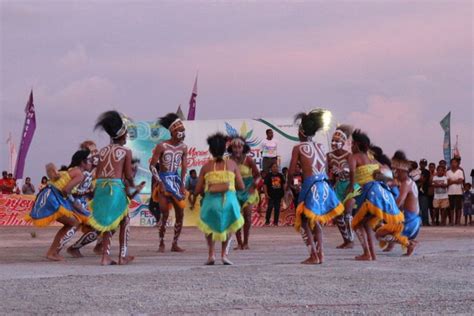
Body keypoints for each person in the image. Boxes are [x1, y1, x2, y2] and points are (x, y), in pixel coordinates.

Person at [288, 109, 344, 264]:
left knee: (304, 221)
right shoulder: (320, 146)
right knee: (317, 220)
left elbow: (291, 173)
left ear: (301, 132)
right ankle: (321, 254)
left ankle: (313, 255)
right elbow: (326, 169)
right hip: (324, 184)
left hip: (310, 185)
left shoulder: (298, 148)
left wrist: (293, 186)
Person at [89, 110, 140, 265]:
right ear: (122, 135)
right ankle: (120, 256)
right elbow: (128, 175)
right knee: (124, 219)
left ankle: (106, 256)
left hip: (101, 187)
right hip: (115, 187)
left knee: (107, 221)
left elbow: (97, 173)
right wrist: (133, 185)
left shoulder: (103, 151)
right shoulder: (126, 151)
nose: (127, 137)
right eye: (126, 135)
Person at [348, 130, 405, 261]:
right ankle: (371, 254)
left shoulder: (354, 157)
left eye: (351, 144)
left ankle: (368, 253)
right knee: (366, 224)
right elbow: (389, 176)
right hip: (378, 193)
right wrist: (375, 177)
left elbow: (351, 179)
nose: (351, 146)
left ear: (356, 145)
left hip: (369, 195)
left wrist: (348, 192)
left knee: (357, 224)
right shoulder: (373, 161)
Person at [26, 150, 92, 261]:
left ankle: (53, 252)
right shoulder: (79, 174)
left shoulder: (72, 170)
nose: (91, 163)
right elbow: (66, 190)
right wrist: (77, 206)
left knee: (71, 223)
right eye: (89, 160)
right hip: (53, 198)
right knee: (74, 223)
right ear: (82, 162)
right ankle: (53, 253)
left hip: (50, 196)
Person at [194, 133, 245, 265]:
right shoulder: (232, 164)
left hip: (211, 202)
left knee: (208, 227)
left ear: (210, 150)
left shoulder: (206, 167)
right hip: (229, 201)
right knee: (228, 226)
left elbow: (198, 189)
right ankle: (224, 255)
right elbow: (241, 186)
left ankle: (211, 254)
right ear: (224, 149)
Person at [149, 113, 188, 252]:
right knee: (164, 213)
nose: (182, 133)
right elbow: (152, 166)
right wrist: (159, 182)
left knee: (180, 213)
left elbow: (184, 167)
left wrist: (182, 184)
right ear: (172, 131)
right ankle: (161, 242)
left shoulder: (184, 148)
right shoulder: (162, 146)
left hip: (175, 181)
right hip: (163, 180)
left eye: (183, 130)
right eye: (180, 130)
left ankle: (175, 243)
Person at [377, 151, 420, 256]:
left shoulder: (405, 184)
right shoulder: (409, 182)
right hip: (413, 220)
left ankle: (409, 243)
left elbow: (399, 202)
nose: (394, 173)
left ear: (401, 170)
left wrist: (385, 214)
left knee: (379, 234)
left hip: (410, 222)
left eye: (396, 170)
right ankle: (406, 242)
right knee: (386, 227)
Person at [327, 124, 358, 249]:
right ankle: (346, 240)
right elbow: (330, 174)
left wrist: (351, 186)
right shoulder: (329, 156)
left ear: (343, 142)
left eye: (337, 141)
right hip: (339, 186)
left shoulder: (349, 155)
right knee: (338, 215)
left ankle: (351, 240)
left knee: (348, 215)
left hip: (351, 185)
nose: (334, 143)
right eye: (332, 141)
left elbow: (353, 172)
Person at [228, 136, 260, 250]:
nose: (237, 149)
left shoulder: (248, 160)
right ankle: (239, 242)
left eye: (239, 147)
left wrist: (254, 184)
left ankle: (246, 242)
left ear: (243, 148)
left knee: (247, 216)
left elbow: (258, 175)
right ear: (231, 148)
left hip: (248, 189)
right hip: (234, 191)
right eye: (234, 147)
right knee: (236, 217)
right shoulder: (228, 161)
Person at [446, 157, 464, 225]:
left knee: (458, 207)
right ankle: (452, 221)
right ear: (450, 164)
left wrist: (452, 181)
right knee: (451, 207)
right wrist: (455, 181)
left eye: (455, 162)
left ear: (457, 163)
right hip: (450, 192)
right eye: (452, 163)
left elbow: (460, 181)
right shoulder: (448, 172)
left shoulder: (460, 171)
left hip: (458, 191)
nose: (453, 164)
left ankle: (458, 221)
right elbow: (448, 182)